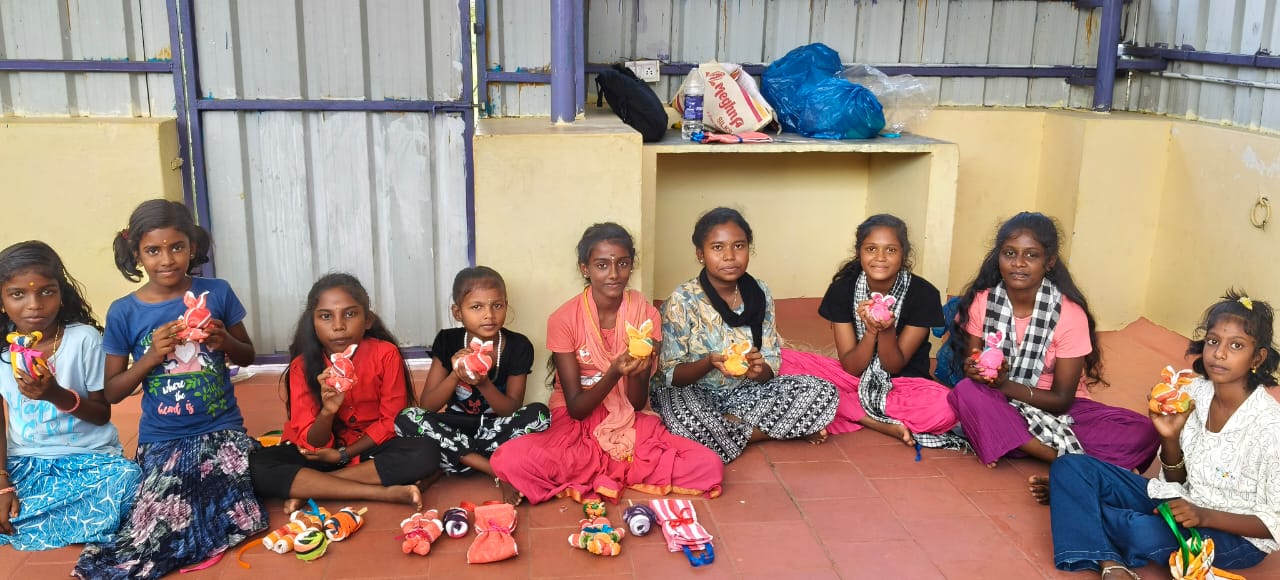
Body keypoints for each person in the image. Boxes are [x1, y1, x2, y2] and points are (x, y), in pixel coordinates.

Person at [75, 200, 267, 579]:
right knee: (161, 518)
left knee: (231, 497)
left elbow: (248, 355)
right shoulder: (124, 311)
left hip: (221, 429)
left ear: (192, 247)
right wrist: (150, 356)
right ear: (136, 254)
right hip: (164, 438)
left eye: (177, 247)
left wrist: (225, 340)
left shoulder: (217, 292)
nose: (166, 260)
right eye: (153, 250)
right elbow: (112, 392)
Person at [1046, 291, 1280, 578]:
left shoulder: (1270, 426)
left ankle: (1077, 508)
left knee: (1138, 530)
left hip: (1235, 537)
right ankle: (1107, 558)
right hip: (1178, 502)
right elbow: (1176, 480)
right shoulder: (1193, 393)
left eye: (1236, 345)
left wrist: (1204, 515)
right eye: (1213, 341)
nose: (1219, 353)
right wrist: (1169, 437)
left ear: (1258, 357)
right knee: (1071, 467)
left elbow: (1274, 521)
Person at [491, 223, 723, 504]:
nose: (614, 274)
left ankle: (601, 470)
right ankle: (620, 468)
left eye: (622, 264)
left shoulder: (645, 316)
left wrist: (639, 368)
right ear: (585, 268)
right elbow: (576, 409)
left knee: (708, 464)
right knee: (511, 458)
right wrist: (614, 372)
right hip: (576, 423)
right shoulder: (563, 320)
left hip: (628, 417)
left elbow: (635, 403)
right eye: (602, 265)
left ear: (631, 265)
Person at [946, 212, 1158, 472]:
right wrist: (975, 370)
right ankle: (1060, 457)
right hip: (1001, 402)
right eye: (1009, 253)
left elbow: (1062, 399)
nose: (1019, 263)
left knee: (1143, 431)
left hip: (1061, 411)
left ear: (1049, 262)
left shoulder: (1069, 314)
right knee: (966, 391)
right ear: (998, 257)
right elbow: (974, 363)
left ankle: (1012, 440)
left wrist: (1004, 385)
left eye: (1031, 255)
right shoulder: (982, 301)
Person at [650, 208, 839, 463]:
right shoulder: (682, 300)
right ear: (700, 254)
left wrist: (759, 370)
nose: (729, 256)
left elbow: (770, 360)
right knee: (685, 420)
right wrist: (709, 362)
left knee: (822, 391)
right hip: (693, 393)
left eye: (739, 246)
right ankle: (773, 431)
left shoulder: (759, 292)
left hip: (743, 393)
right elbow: (670, 375)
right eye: (717, 247)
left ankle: (724, 431)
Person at [249, 273, 439, 512]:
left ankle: (313, 488)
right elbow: (313, 443)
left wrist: (343, 455)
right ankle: (382, 493)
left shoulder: (385, 354)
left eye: (350, 314)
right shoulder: (302, 366)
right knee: (256, 467)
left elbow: (391, 421)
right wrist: (327, 412)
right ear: (313, 322)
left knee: (425, 452)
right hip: (322, 455)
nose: (338, 326)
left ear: (367, 320)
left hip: (369, 447)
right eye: (325, 316)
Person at [0, 241, 140, 550]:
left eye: (46, 292)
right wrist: (2, 484)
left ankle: (25, 522)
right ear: (1, 300)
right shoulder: (2, 351)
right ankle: (62, 521)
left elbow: (102, 414)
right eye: (18, 294)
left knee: (127, 480)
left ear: (61, 295)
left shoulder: (83, 340)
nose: (34, 305)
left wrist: (55, 394)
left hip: (87, 460)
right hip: (25, 461)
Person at [395, 267, 549, 498]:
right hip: (454, 425)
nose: (489, 315)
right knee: (407, 418)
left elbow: (511, 409)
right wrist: (456, 375)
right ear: (458, 312)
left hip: (494, 428)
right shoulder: (448, 341)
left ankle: (457, 459)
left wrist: (484, 384)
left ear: (506, 305)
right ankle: (494, 469)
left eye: (497, 305)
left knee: (540, 415)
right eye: (477, 307)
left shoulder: (518, 345)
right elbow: (428, 405)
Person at [818, 214, 965, 449]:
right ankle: (877, 421)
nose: (880, 257)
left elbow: (893, 366)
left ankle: (847, 410)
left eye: (891, 250)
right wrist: (870, 333)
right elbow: (851, 367)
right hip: (852, 380)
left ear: (903, 254)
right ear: (859, 252)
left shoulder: (924, 294)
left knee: (946, 408)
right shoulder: (842, 289)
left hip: (903, 387)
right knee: (789, 366)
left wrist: (886, 330)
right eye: (871, 249)